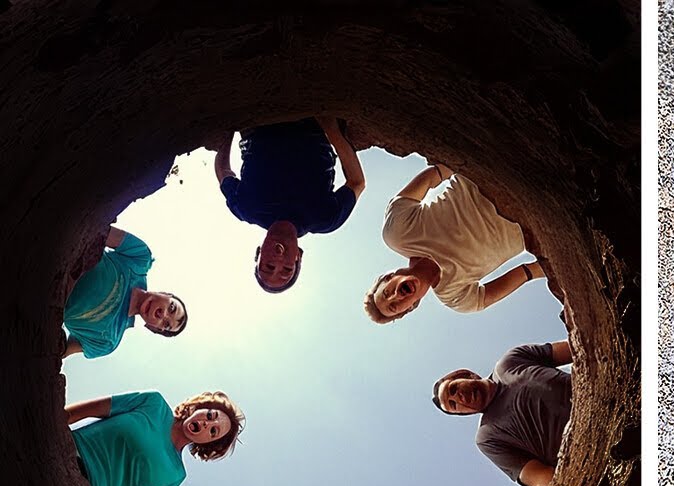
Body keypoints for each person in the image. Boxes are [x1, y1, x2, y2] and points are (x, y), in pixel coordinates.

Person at [364, 164, 548, 323]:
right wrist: (547, 267)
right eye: (395, 306)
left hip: (491, 173)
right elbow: (523, 275)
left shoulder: (398, 234)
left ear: (389, 277)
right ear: (411, 307)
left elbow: (432, 176)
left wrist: (468, 160)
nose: (396, 296)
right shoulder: (456, 297)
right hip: (533, 214)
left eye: (387, 293)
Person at [213, 116, 366, 293]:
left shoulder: (247, 209)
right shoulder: (325, 218)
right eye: (286, 269)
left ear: (259, 252)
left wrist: (228, 131)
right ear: (298, 257)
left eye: (269, 266)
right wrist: (331, 130)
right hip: (314, 123)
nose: (278, 260)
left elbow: (223, 172)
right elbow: (356, 183)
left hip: (260, 122)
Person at [65, 390, 245, 486]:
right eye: (210, 415)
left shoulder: (175, 475)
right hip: (65, 450)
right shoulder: (153, 403)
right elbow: (78, 412)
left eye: (213, 431)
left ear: (208, 444)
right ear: (200, 407)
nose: (207, 424)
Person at [432, 341, 572, 486]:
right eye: (453, 405)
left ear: (465, 375)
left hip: (595, 394)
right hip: (579, 447)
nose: (459, 398)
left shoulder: (511, 360)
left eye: (453, 389)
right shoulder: (488, 437)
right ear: (463, 413)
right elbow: (540, 477)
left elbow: (576, 346)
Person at [63, 225, 187, 359]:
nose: (163, 314)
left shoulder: (108, 341)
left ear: (153, 328)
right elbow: (95, 227)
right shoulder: (140, 258)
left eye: (166, 324)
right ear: (165, 294)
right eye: (172, 308)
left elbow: (59, 350)